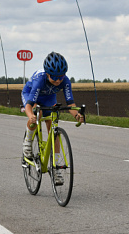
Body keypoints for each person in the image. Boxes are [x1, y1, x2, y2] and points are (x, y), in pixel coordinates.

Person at [21, 52, 83, 183]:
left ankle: (56, 168)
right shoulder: (40, 80)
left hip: (49, 97)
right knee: (37, 114)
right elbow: (29, 105)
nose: (58, 81)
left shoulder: (65, 81)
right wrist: (31, 115)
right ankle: (27, 142)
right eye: (54, 77)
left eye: (61, 77)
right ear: (47, 74)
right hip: (31, 95)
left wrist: (77, 115)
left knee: (52, 125)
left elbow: (70, 104)